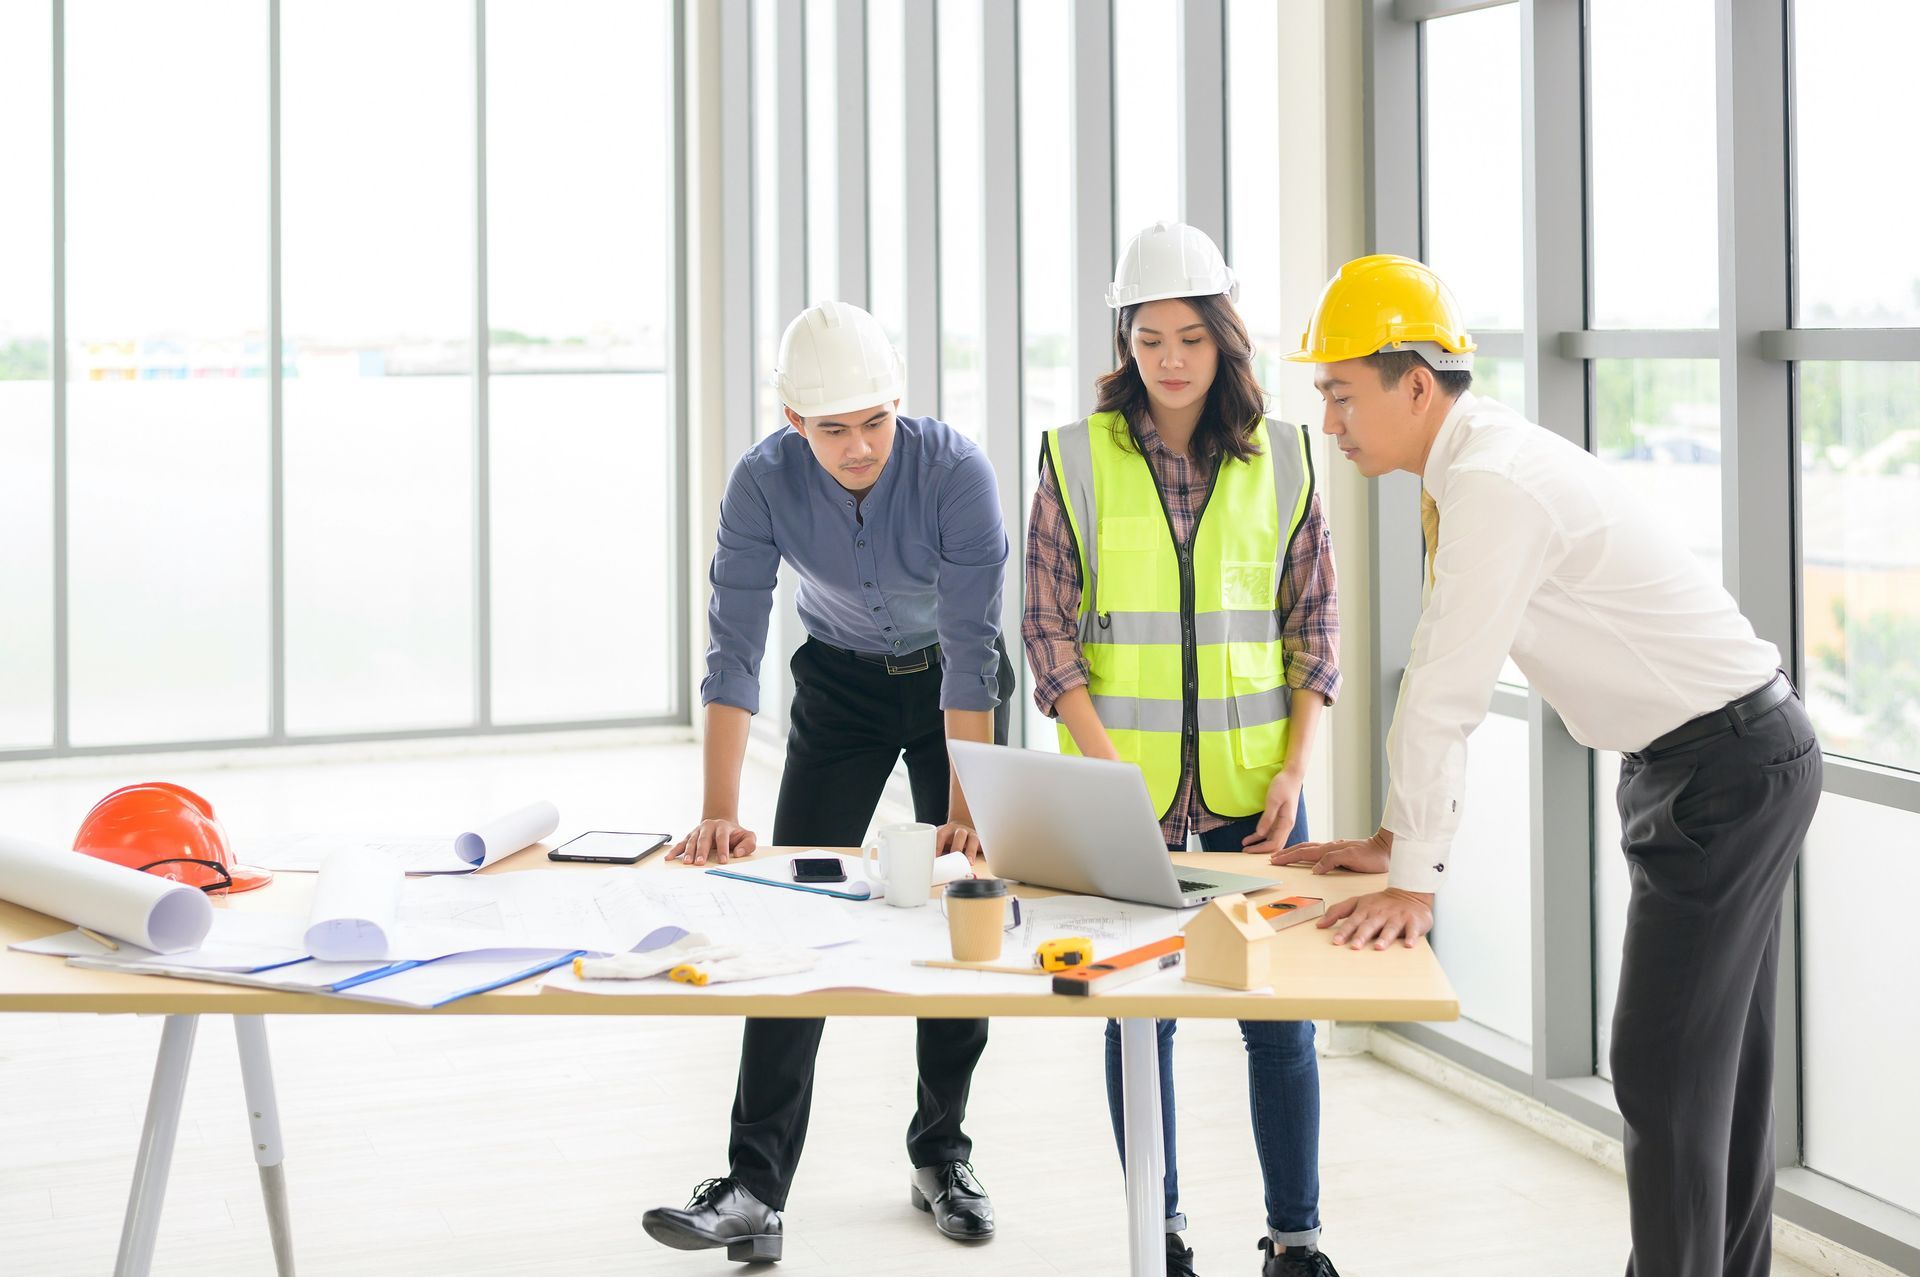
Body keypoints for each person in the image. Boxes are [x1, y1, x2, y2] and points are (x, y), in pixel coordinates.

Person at [1282, 254, 1821, 1277]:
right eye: (1323, 394)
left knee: (1663, 1068)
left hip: (1726, 767)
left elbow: (1445, 684)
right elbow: (1449, 672)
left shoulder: (1490, 483)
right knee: (1717, 1078)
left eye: (1342, 392)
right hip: (1718, 759)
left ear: (1415, 384)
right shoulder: (1476, 468)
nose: (1332, 419)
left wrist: (1414, 885)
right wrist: (1398, 840)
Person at [642, 300, 1015, 1264]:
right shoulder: (761, 484)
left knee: (958, 908)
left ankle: (943, 1151)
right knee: (791, 916)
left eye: (874, 423)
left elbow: (974, 656)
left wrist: (967, 819)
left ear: (901, 400)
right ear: (791, 422)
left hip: (952, 689)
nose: (858, 448)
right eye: (832, 429)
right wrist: (721, 812)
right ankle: (756, 1187)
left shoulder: (957, 471)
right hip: (841, 686)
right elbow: (733, 646)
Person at [1023, 222, 1344, 1277]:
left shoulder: (1288, 454)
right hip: (1128, 796)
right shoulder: (1074, 455)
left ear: (1224, 340)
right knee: (1138, 1025)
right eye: (1150, 336)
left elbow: (1313, 628)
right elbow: (1048, 629)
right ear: (1126, 338)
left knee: (1279, 1023)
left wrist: (1297, 767)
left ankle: (1295, 1241)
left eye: (1191, 338)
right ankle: (1155, 1236)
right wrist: (1103, 760)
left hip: (1259, 798)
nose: (1169, 358)